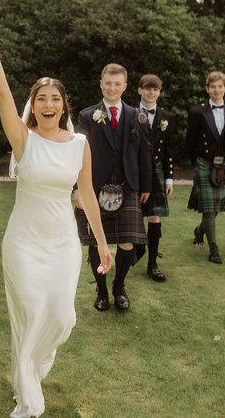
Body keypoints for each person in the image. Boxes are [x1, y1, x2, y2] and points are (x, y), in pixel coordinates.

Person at [0, 12, 112, 418]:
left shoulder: (79, 143)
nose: (48, 104)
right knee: (30, 310)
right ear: (33, 105)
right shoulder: (23, 139)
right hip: (23, 242)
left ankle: (29, 370)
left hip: (63, 242)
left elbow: (86, 195)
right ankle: (28, 396)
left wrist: (103, 245)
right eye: (41, 99)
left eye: (55, 99)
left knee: (62, 316)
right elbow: (1, 90)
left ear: (64, 105)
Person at [74, 63, 153, 311]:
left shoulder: (137, 116)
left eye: (117, 84)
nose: (112, 88)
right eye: (108, 83)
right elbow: (76, 156)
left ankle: (119, 287)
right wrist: (77, 188)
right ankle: (101, 291)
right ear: (101, 84)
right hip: (94, 187)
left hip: (127, 185)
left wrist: (146, 186)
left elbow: (144, 154)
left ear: (125, 86)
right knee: (98, 242)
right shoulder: (87, 116)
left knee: (128, 241)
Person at [186, 71, 225, 264]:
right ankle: (214, 249)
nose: (217, 90)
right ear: (207, 89)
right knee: (208, 209)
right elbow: (190, 141)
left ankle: (200, 231)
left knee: (215, 208)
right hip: (204, 163)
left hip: (224, 164)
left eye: (220, 86)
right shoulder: (197, 112)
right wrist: (198, 162)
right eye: (213, 86)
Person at [134, 74, 174, 281]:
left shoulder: (167, 116)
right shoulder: (130, 114)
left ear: (159, 92)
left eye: (155, 89)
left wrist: (169, 179)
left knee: (155, 217)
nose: (151, 92)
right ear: (140, 90)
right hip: (136, 172)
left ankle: (153, 264)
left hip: (157, 172)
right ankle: (137, 249)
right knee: (136, 215)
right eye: (147, 88)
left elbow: (168, 150)